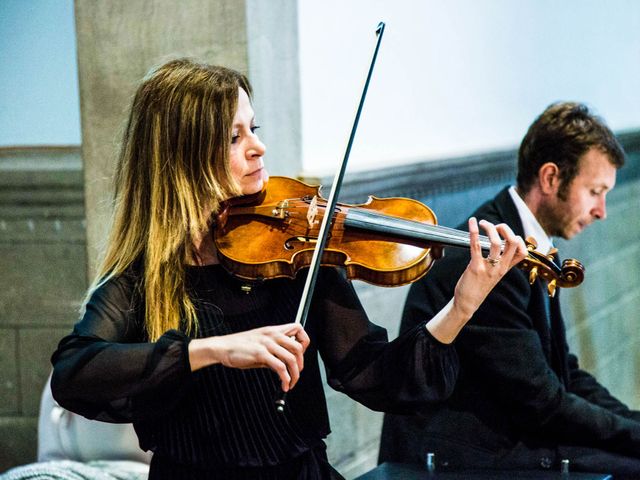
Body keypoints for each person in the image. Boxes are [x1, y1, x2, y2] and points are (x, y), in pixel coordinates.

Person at [50, 58, 526, 480]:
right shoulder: (144, 278)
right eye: (234, 137)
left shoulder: (296, 251)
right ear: (180, 158)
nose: (257, 148)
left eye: (255, 129)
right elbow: (74, 372)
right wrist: (211, 350)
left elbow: (373, 373)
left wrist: (462, 306)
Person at [379, 102, 640, 478]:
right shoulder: (493, 254)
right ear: (551, 178)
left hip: (509, 434)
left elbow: (563, 372)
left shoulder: (530, 242)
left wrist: (631, 423)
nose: (602, 210)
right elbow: (542, 403)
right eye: (594, 191)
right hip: (463, 459)